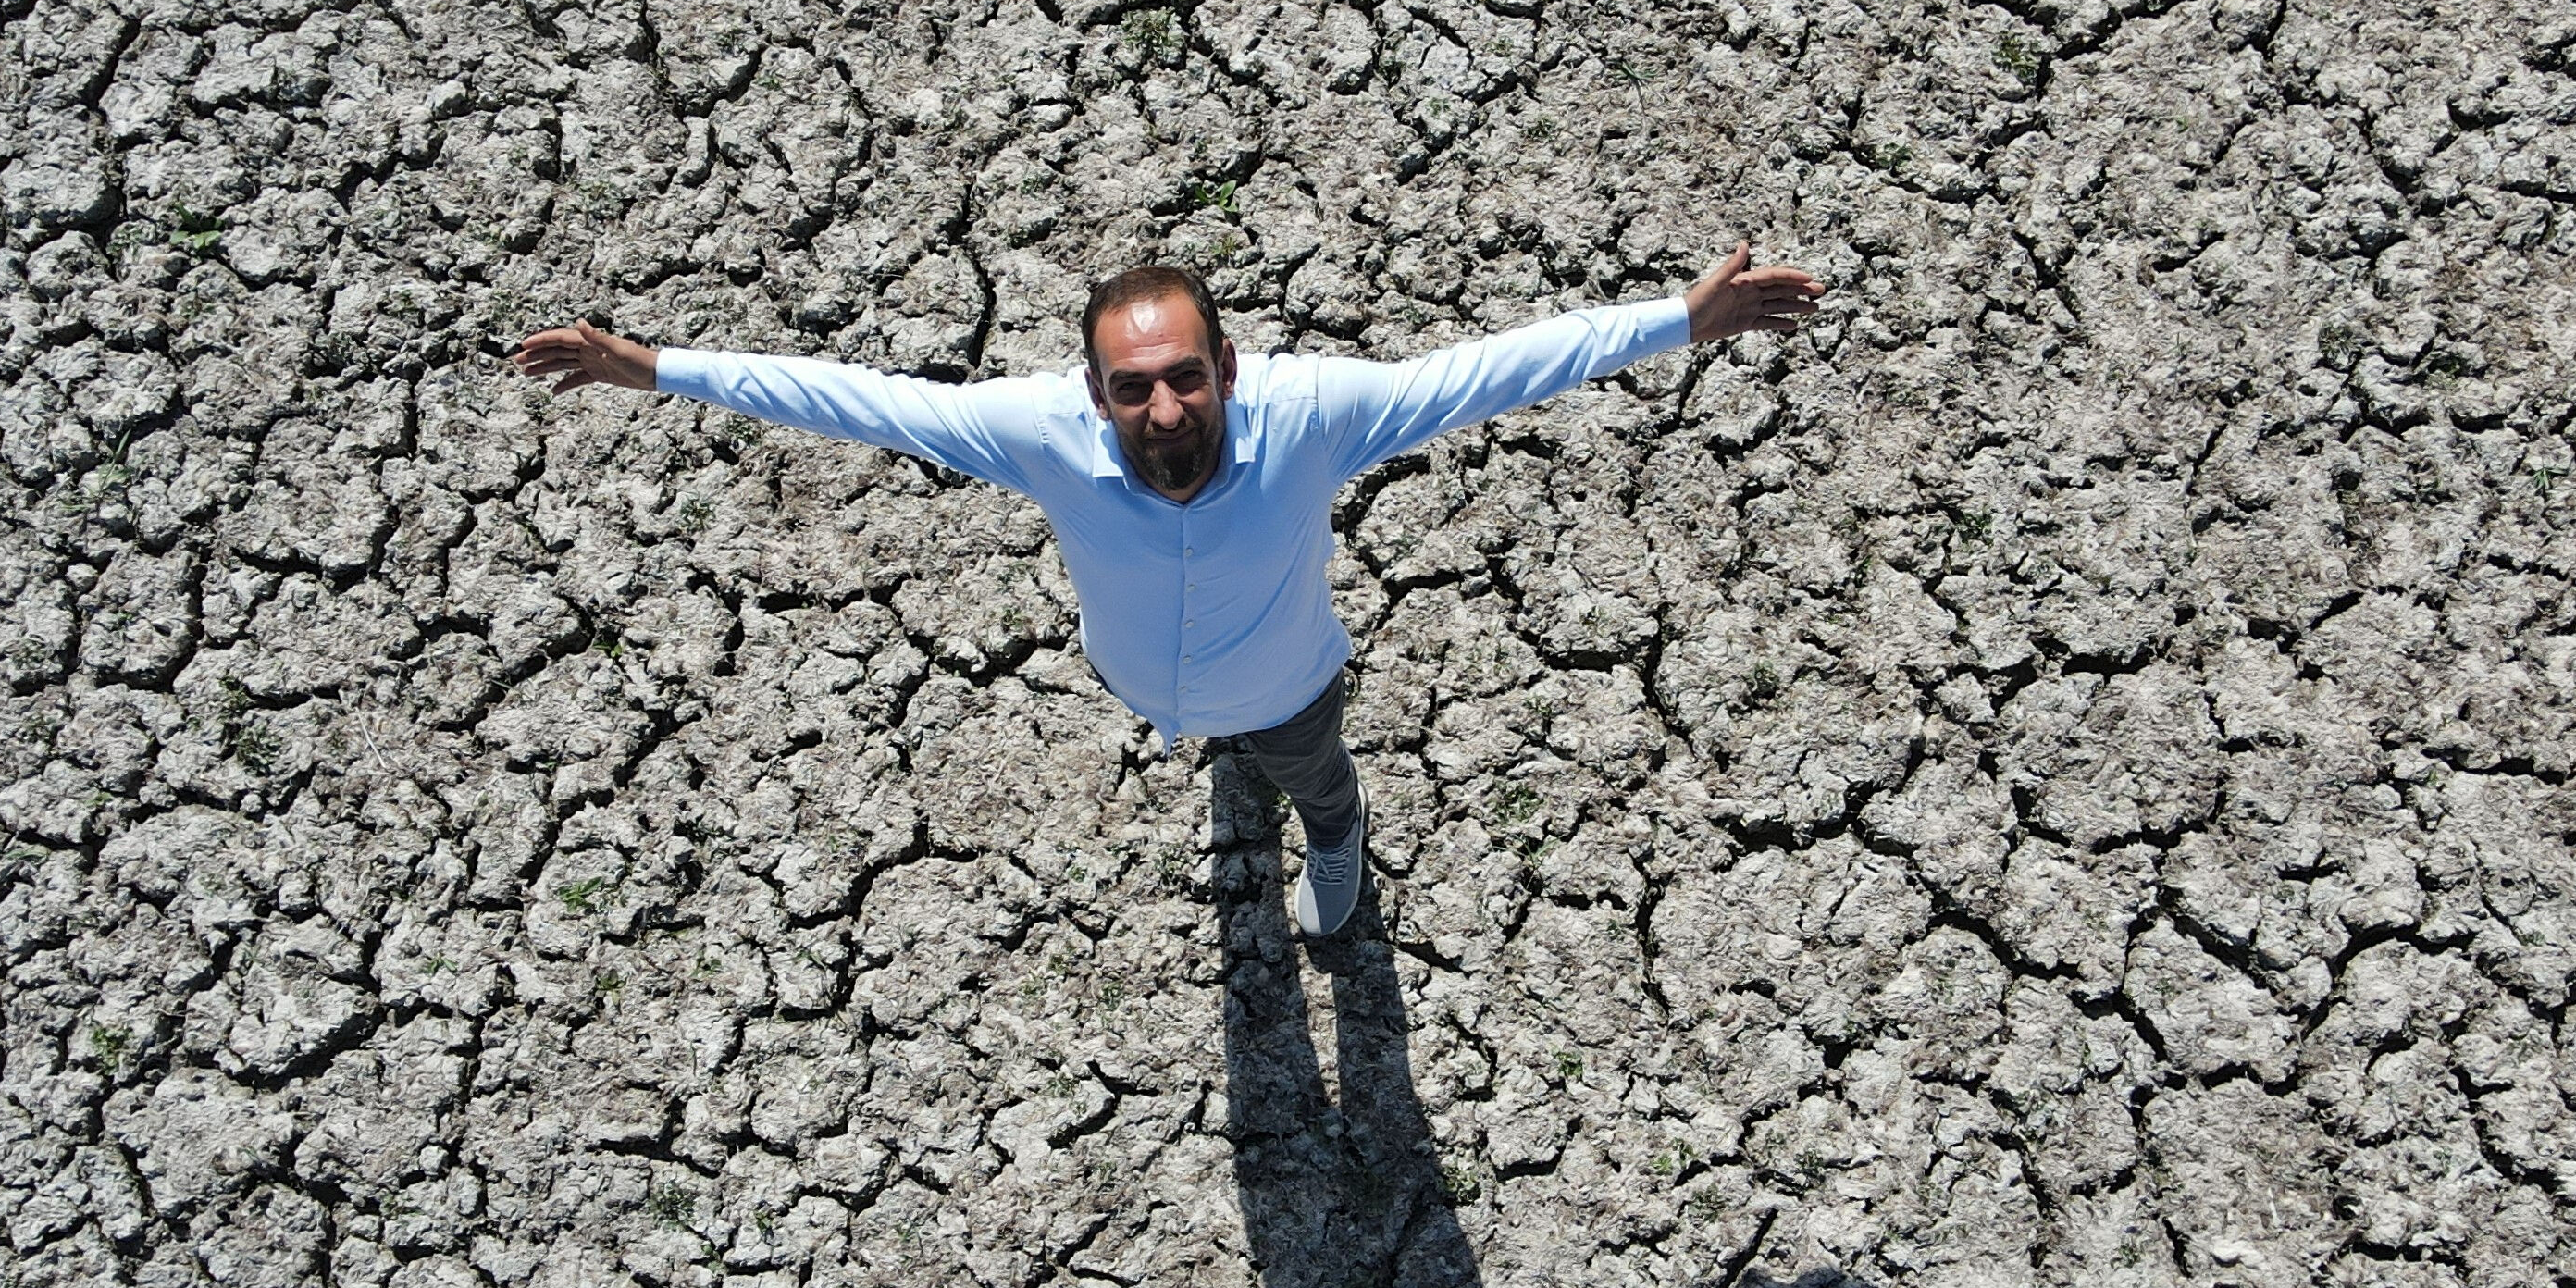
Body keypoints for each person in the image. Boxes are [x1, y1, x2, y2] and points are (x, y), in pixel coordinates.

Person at [510, 242, 1824, 936]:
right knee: (1220, 763)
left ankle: (1337, 845)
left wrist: (1675, 322)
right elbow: (860, 403)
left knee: (1312, 780)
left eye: (1185, 375)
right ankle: (1231, 779)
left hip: (1292, 679)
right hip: (1144, 682)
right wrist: (656, 367)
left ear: (1229, 366)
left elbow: (1488, 371)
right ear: (1093, 391)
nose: (1162, 405)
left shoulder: (1317, 414)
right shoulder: (1039, 434)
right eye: (1132, 385)